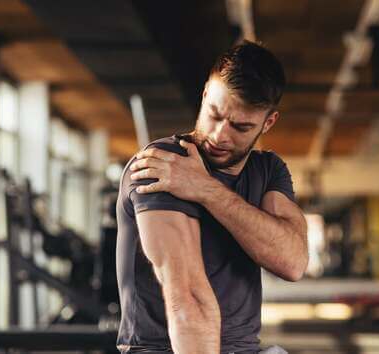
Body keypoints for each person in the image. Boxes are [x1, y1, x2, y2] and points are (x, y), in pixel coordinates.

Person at [116, 41, 308, 354]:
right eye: (215, 114)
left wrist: (206, 190)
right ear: (205, 94)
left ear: (268, 122)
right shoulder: (164, 164)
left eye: (240, 126)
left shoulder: (267, 169)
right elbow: (187, 299)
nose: (220, 135)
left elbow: (293, 262)